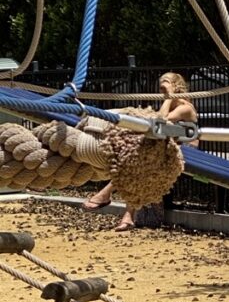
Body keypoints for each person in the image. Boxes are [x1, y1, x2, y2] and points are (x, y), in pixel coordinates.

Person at [84, 71, 198, 231]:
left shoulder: (184, 107)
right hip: (169, 149)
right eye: (161, 82)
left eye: (166, 81)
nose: (162, 85)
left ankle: (108, 195)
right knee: (137, 160)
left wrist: (168, 96)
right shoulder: (171, 104)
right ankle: (127, 214)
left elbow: (160, 121)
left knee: (141, 161)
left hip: (188, 151)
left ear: (175, 85)